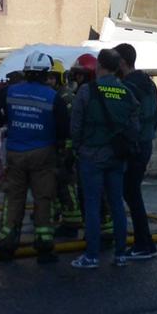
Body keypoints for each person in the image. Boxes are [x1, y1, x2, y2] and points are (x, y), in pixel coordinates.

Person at [0, 52, 66, 263]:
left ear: (26, 72)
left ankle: (7, 243)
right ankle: (44, 246)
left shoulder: (11, 91)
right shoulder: (53, 97)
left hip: (15, 153)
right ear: (46, 73)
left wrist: (5, 120)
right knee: (43, 199)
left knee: (13, 198)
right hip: (43, 154)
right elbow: (65, 128)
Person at [68, 49, 133, 269]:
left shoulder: (87, 91)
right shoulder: (125, 92)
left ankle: (92, 256)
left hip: (91, 155)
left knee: (93, 205)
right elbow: (135, 124)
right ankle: (121, 254)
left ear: (99, 66)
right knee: (117, 204)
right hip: (116, 156)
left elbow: (75, 124)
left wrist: (77, 146)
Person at [114, 42, 157, 261]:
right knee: (132, 193)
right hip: (146, 144)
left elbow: (124, 119)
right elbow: (156, 116)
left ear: (122, 61)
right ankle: (146, 243)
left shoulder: (128, 87)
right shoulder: (149, 84)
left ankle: (143, 244)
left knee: (131, 193)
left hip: (135, 147)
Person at [54, 54, 92, 236]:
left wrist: (69, 150)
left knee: (69, 184)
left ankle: (72, 222)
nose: (75, 79)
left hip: (78, 151)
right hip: (79, 150)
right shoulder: (75, 95)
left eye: (79, 75)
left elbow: (72, 127)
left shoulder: (67, 97)